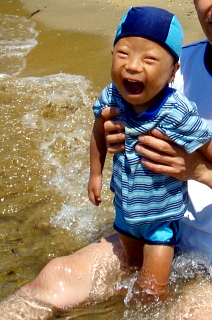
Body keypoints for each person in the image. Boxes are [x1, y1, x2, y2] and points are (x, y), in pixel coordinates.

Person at [0, 1, 212, 318]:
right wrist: (112, 133)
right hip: (157, 226)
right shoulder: (169, 64)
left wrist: (199, 171)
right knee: (55, 278)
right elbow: (107, 123)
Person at [88, 6, 212, 299]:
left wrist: (199, 169)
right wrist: (96, 171)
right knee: (126, 275)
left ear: (171, 71)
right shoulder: (117, 94)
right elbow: (98, 128)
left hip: (165, 225)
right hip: (129, 212)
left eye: (148, 59)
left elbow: (206, 144)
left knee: (151, 295)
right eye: (123, 54)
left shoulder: (176, 108)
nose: (132, 66)